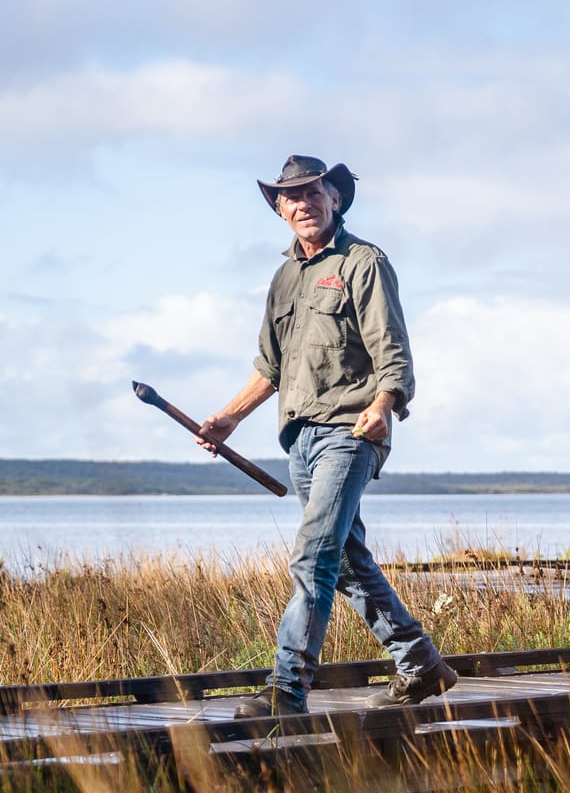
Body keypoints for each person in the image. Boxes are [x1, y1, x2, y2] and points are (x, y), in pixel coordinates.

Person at [194, 155, 458, 717]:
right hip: (301, 442)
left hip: (351, 430)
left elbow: (394, 353)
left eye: (313, 192)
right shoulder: (284, 277)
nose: (303, 203)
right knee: (344, 563)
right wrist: (228, 418)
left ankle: (286, 690)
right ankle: (420, 662)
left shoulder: (364, 262)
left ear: (334, 198)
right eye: (290, 197)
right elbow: (270, 367)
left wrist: (384, 406)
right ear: (279, 208)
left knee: (313, 556)